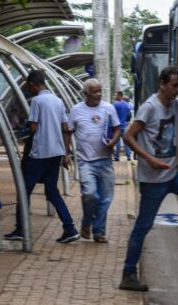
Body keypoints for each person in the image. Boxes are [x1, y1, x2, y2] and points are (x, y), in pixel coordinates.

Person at [119, 66, 178, 292]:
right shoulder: (150, 108)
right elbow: (128, 136)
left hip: (173, 176)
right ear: (162, 84)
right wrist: (150, 159)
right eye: (174, 85)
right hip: (153, 180)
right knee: (143, 226)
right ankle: (128, 274)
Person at [4, 70, 80, 244]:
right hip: (55, 152)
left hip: (39, 152)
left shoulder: (37, 101)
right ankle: (69, 228)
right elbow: (65, 127)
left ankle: (21, 229)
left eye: (28, 86)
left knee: (24, 190)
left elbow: (34, 128)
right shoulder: (58, 101)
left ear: (32, 84)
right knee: (52, 191)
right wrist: (65, 153)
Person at [66, 79, 120, 243]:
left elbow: (117, 129)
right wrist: (66, 153)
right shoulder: (76, 110)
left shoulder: (108, 108)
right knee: (90, 195)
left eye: (99, 91)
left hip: (105, 161)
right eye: (95, 91)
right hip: (85, 161)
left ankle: (99, 231)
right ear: (86, 94)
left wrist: (113, 141)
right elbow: (68, 131)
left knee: (106, 198)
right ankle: (87, 222)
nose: (98, 94)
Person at [112, 91, 133, 161]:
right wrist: (127, 122)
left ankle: (117, 157)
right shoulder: (126, 104)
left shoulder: (115, 105)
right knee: (126, 142)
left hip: (117, 127)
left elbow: (112, 115)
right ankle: (129, 156)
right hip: (124, 126)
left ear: (120, 96)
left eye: (116, 95)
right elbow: (129, 115)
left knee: (117, 142)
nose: (115, 97)